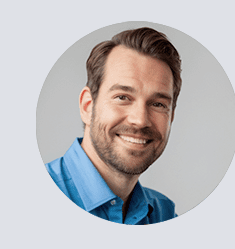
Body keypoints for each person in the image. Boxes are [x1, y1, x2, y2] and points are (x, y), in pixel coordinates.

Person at [45, 27, 182, 225]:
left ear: (171, 117)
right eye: (123, 97)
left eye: (158, 104)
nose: (140, 120)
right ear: (87, 106)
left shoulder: (163, 214)